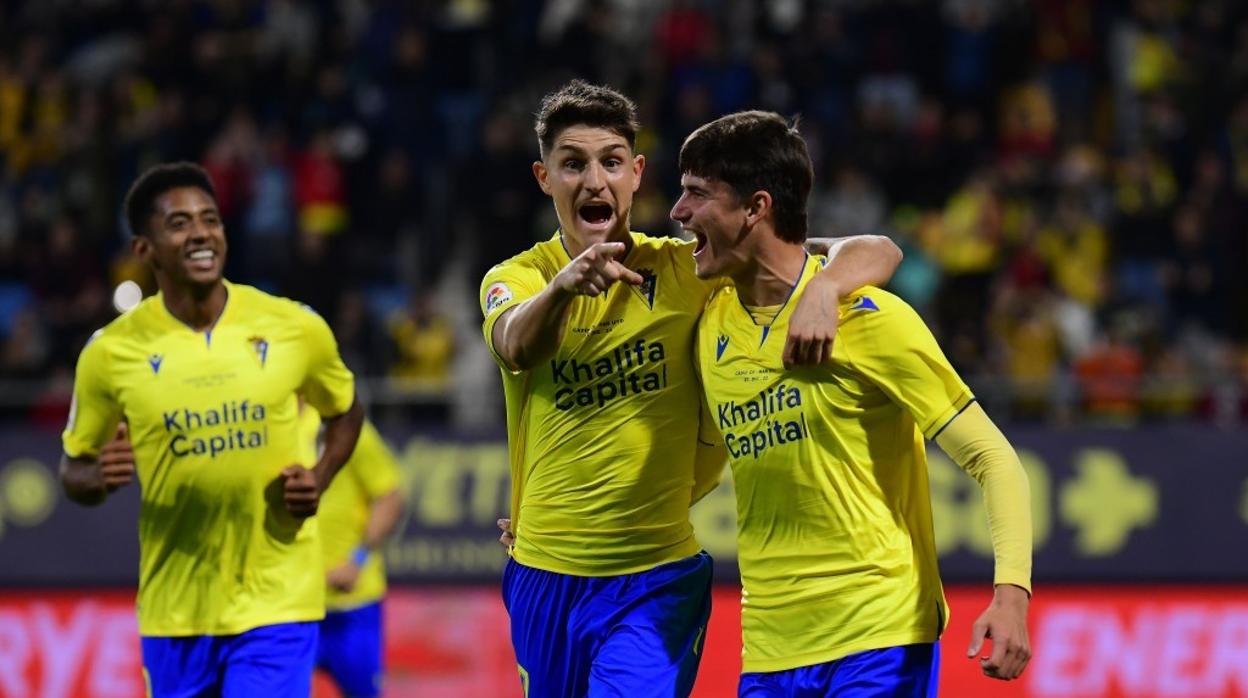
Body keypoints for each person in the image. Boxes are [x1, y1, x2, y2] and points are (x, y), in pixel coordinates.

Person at [478, 80, 902, 697]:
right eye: (573, 164)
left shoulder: (686, 273)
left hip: (655, 581)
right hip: (543, 572)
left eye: (611, 162)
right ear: (545, 178)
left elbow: (878, 249)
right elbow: (515, 343)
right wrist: (565, 287)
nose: (594, 180)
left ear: (637, 174)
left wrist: (822, 288)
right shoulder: (518, 278)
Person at [673, 111, 1032, 696]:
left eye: (696, 194)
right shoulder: (709, 318)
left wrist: (1011, 596)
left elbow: (994, 458)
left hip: (879, 636)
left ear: (756, 207)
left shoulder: (871, 321)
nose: (677, 212)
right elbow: (713, 457)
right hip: (767, 646)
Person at [60, 162, 365, 697]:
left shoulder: (294, 326)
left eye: (211, 219)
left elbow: (346, 409)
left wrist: (320, 476)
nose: (201, 233)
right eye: (179, 223)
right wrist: (95, 477)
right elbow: (73, 466)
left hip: (278, 600)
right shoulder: (110, 354)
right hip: (175, 612)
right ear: (144, 250)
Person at [296, 408, 405, 698]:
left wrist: (356, 560)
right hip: (294, 607)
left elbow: (389, 498)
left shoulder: (345, 428)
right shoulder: (270, 430)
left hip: (352, 606)